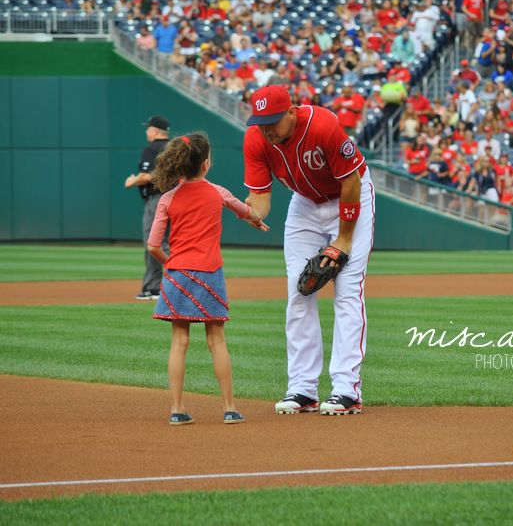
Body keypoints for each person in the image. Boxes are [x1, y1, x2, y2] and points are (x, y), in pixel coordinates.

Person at [243, 85, 375, 416]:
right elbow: (261, 196)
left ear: (291, 112)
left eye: (272, 120)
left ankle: (347, 389)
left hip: (350, 195)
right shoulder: (257, 140)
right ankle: (303, 388)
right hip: (304, 204)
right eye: (260, 121)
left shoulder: (323, 125)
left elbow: (351, 182)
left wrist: (342, 239)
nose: (266, 128)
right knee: (298, 290)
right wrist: (252, 212)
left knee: (347, 292)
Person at [147, 132, 268, 425]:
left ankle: (177, 410)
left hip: (178, 275)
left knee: (179, 342)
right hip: (210, 274)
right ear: (204, 164)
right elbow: (248, 211)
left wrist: (169, 264)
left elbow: (153, 245)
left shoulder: (168, 198)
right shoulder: (217, 192)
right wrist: (255, 219)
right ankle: (229, 408)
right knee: (217, 341)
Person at [124, 115, 171, 301]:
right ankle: (184, 281)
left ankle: (153, 288)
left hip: (157, 200)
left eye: (148, 128)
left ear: (154, 131)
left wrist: (131, 181)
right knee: (169, 242)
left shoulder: (152, 149)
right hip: (177, 199)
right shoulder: (175, 147)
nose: (146, 132)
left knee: (154, 244)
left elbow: (147, 176)